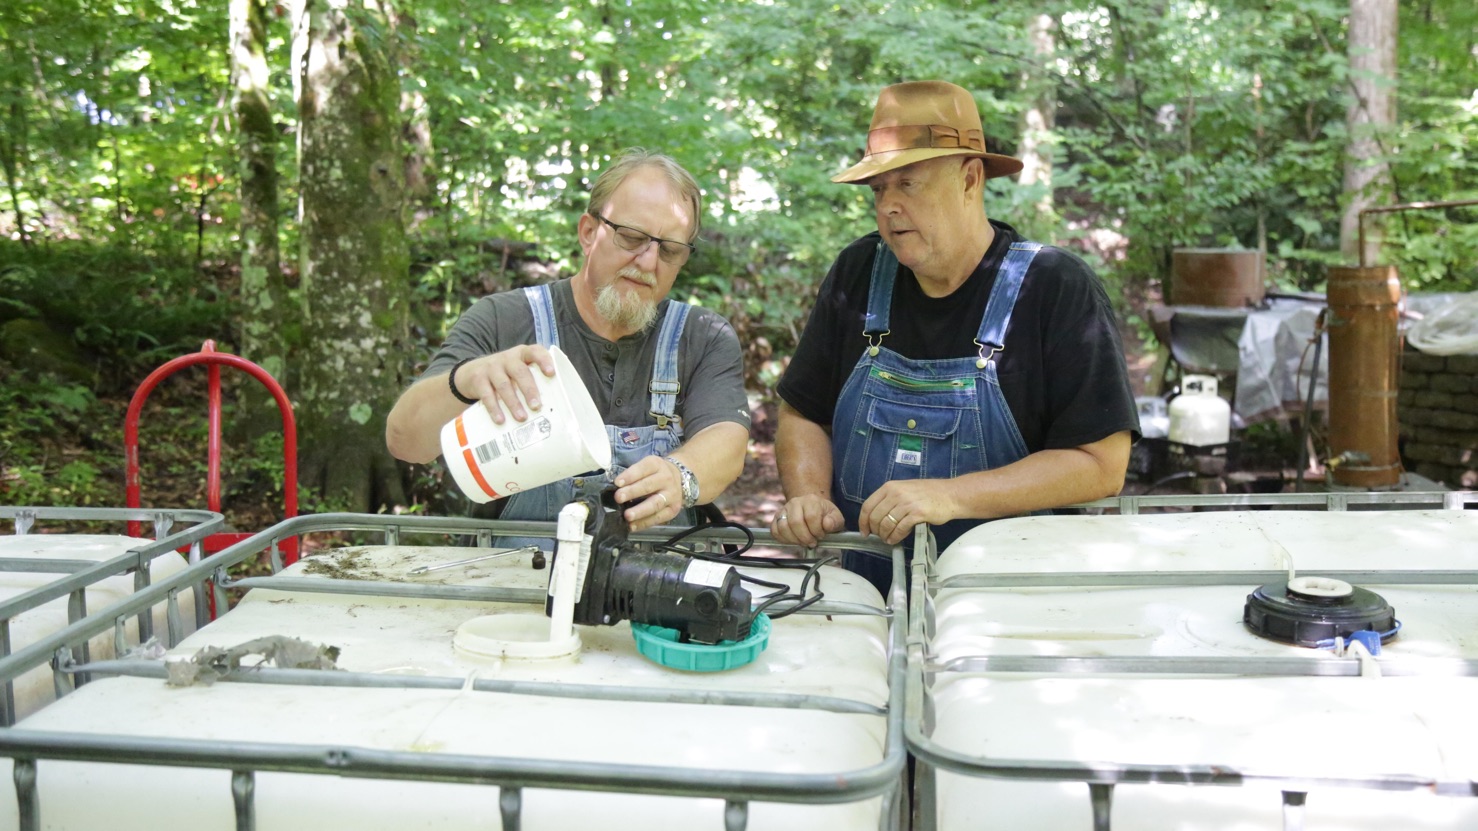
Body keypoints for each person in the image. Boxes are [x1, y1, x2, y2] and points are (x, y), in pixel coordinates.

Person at [770, 81, 1139, 593]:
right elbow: (803, 412)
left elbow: (1101, 465)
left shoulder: (1052, 287)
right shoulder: (859, 271)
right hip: (866, 602)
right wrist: (808, 495)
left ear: (970, 178)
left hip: (1011, 602)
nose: (889, 207)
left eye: (908, 184)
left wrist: (949, 496)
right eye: (879, 189)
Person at [386, 148, 750, 540]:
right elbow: (405, 441)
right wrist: (465, 381)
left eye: (669, 249)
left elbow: (727, 441)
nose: (648, 262)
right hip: (513, 583)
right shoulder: (503, 320)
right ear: (588, 233)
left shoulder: (703, 336)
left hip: (660, 586)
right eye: (632, 237)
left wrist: (680, 474)